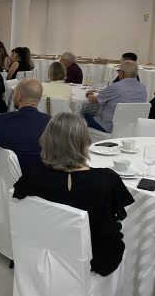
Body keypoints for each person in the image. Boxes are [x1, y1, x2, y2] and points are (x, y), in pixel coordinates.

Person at [13, 113, 135, 277]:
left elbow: (17, 198)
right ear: (84, 142)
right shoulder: (106, 180)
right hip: (95, 260)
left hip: (45, 250)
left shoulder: (34, 175)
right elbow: (113, 223)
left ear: (46, 140)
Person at [0, 79, 50, 181]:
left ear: (18, 96)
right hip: (43, 181)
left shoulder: (1, 121)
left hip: (10, 180)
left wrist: (2, 163)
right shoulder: (51, 123)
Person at [84, 60, 146, 133]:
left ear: (121, 73)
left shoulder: (116, 87)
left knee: (82, 114)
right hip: (132, 128)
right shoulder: (143, 88)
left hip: (110, 127)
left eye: (118, 71)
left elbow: (93, 100)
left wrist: (89, 94)